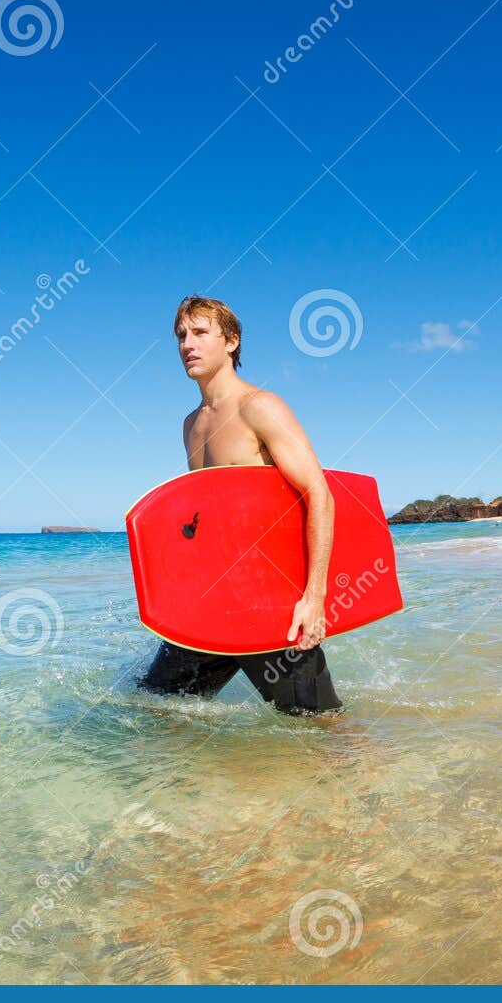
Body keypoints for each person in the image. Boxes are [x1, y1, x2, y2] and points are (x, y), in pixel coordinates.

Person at [135, 295, 343, 715]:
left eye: (199, 333)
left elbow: (318, 493)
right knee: (154, 709)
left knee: (319, 728)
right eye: (180, 336)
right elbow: (206, 521)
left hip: (270, 605)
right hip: (213, 604)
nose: (186, 345)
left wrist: (314, 597)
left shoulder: (259, 407)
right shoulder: (191, 425)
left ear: (230, 341)